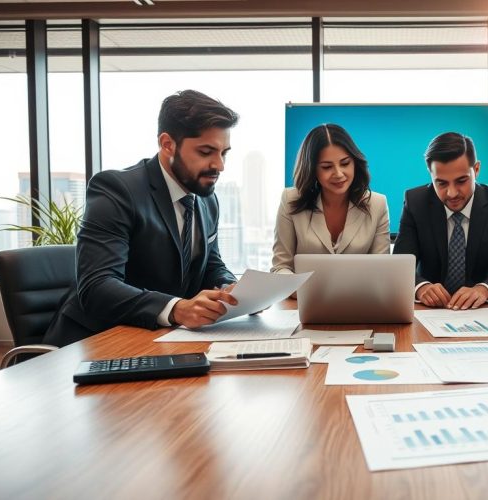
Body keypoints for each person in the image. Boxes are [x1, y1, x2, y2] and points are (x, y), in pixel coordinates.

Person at [44, 90, 240, 346]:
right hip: (93, 343)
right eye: (206, 152)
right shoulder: (116, 189)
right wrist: (177, 309)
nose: (220, 165)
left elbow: (210, 264)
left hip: (158, 339)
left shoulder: (205, 198)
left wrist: (230, 288)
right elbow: (97, 287)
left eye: (224, 153)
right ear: (168, 144)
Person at [393, 132, 488, 310]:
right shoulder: (415, 202)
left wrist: (484, 290)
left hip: (483, 310)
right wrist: (421, 288)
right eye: (441, 183)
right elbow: (400, 265)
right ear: (430, 174)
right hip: (431, 311)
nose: (452, 193)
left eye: (461, 181)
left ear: (476, 170)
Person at [271, 123, 389, 274]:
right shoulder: (289, 199)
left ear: (355, 162)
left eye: (345, 163)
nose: (339, 174)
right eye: (327, 167)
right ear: (312, 169)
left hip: (358, 297)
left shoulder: (377, 204)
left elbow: (381, 270)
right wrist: (299, 289)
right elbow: (280, 266)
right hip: (303, 296)